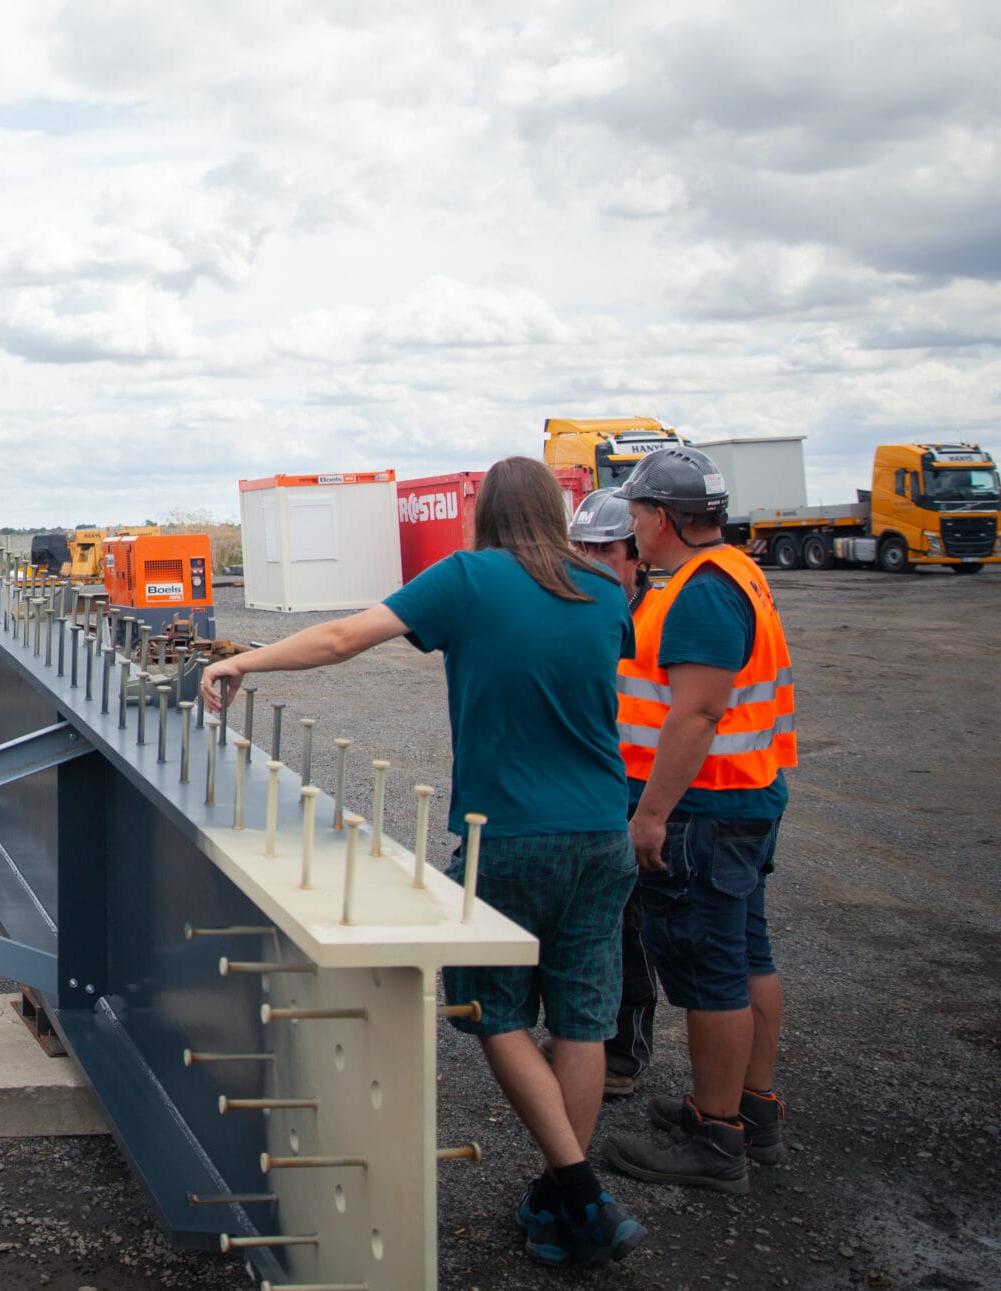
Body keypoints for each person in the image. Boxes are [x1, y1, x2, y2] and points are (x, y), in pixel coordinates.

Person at [203, 456, 646, 1268]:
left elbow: (342, 637)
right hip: (602, 834)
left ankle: (578, 1187)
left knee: (493, 1009)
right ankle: (562, 1202)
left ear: (486, 516)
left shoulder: (469, 579)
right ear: (555, 511)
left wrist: (242, 660)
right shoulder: (606, 590)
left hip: (508, 836)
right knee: (584, 1019)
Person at [602, 447, 795, 1197]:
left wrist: (652, 815)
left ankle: (718, 1136)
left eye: (641, 511)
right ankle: (751, 1110)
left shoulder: (704, 592)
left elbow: (699, 712)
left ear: (668, 519)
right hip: (742, 796)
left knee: (715, 972)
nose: (634, 523)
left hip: (705, 808)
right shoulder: (735, 572)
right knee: (748, 955)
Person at [571, 489, 658, 1100]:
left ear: (635, 554)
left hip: (647, 791)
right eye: (581, 548)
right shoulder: (579, 609)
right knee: (595, 923)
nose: (591, 559)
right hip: (596, 788)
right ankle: (587, 1038)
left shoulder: (660, 614)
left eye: (604, 549)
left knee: (636, 927)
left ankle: (623, 1054)